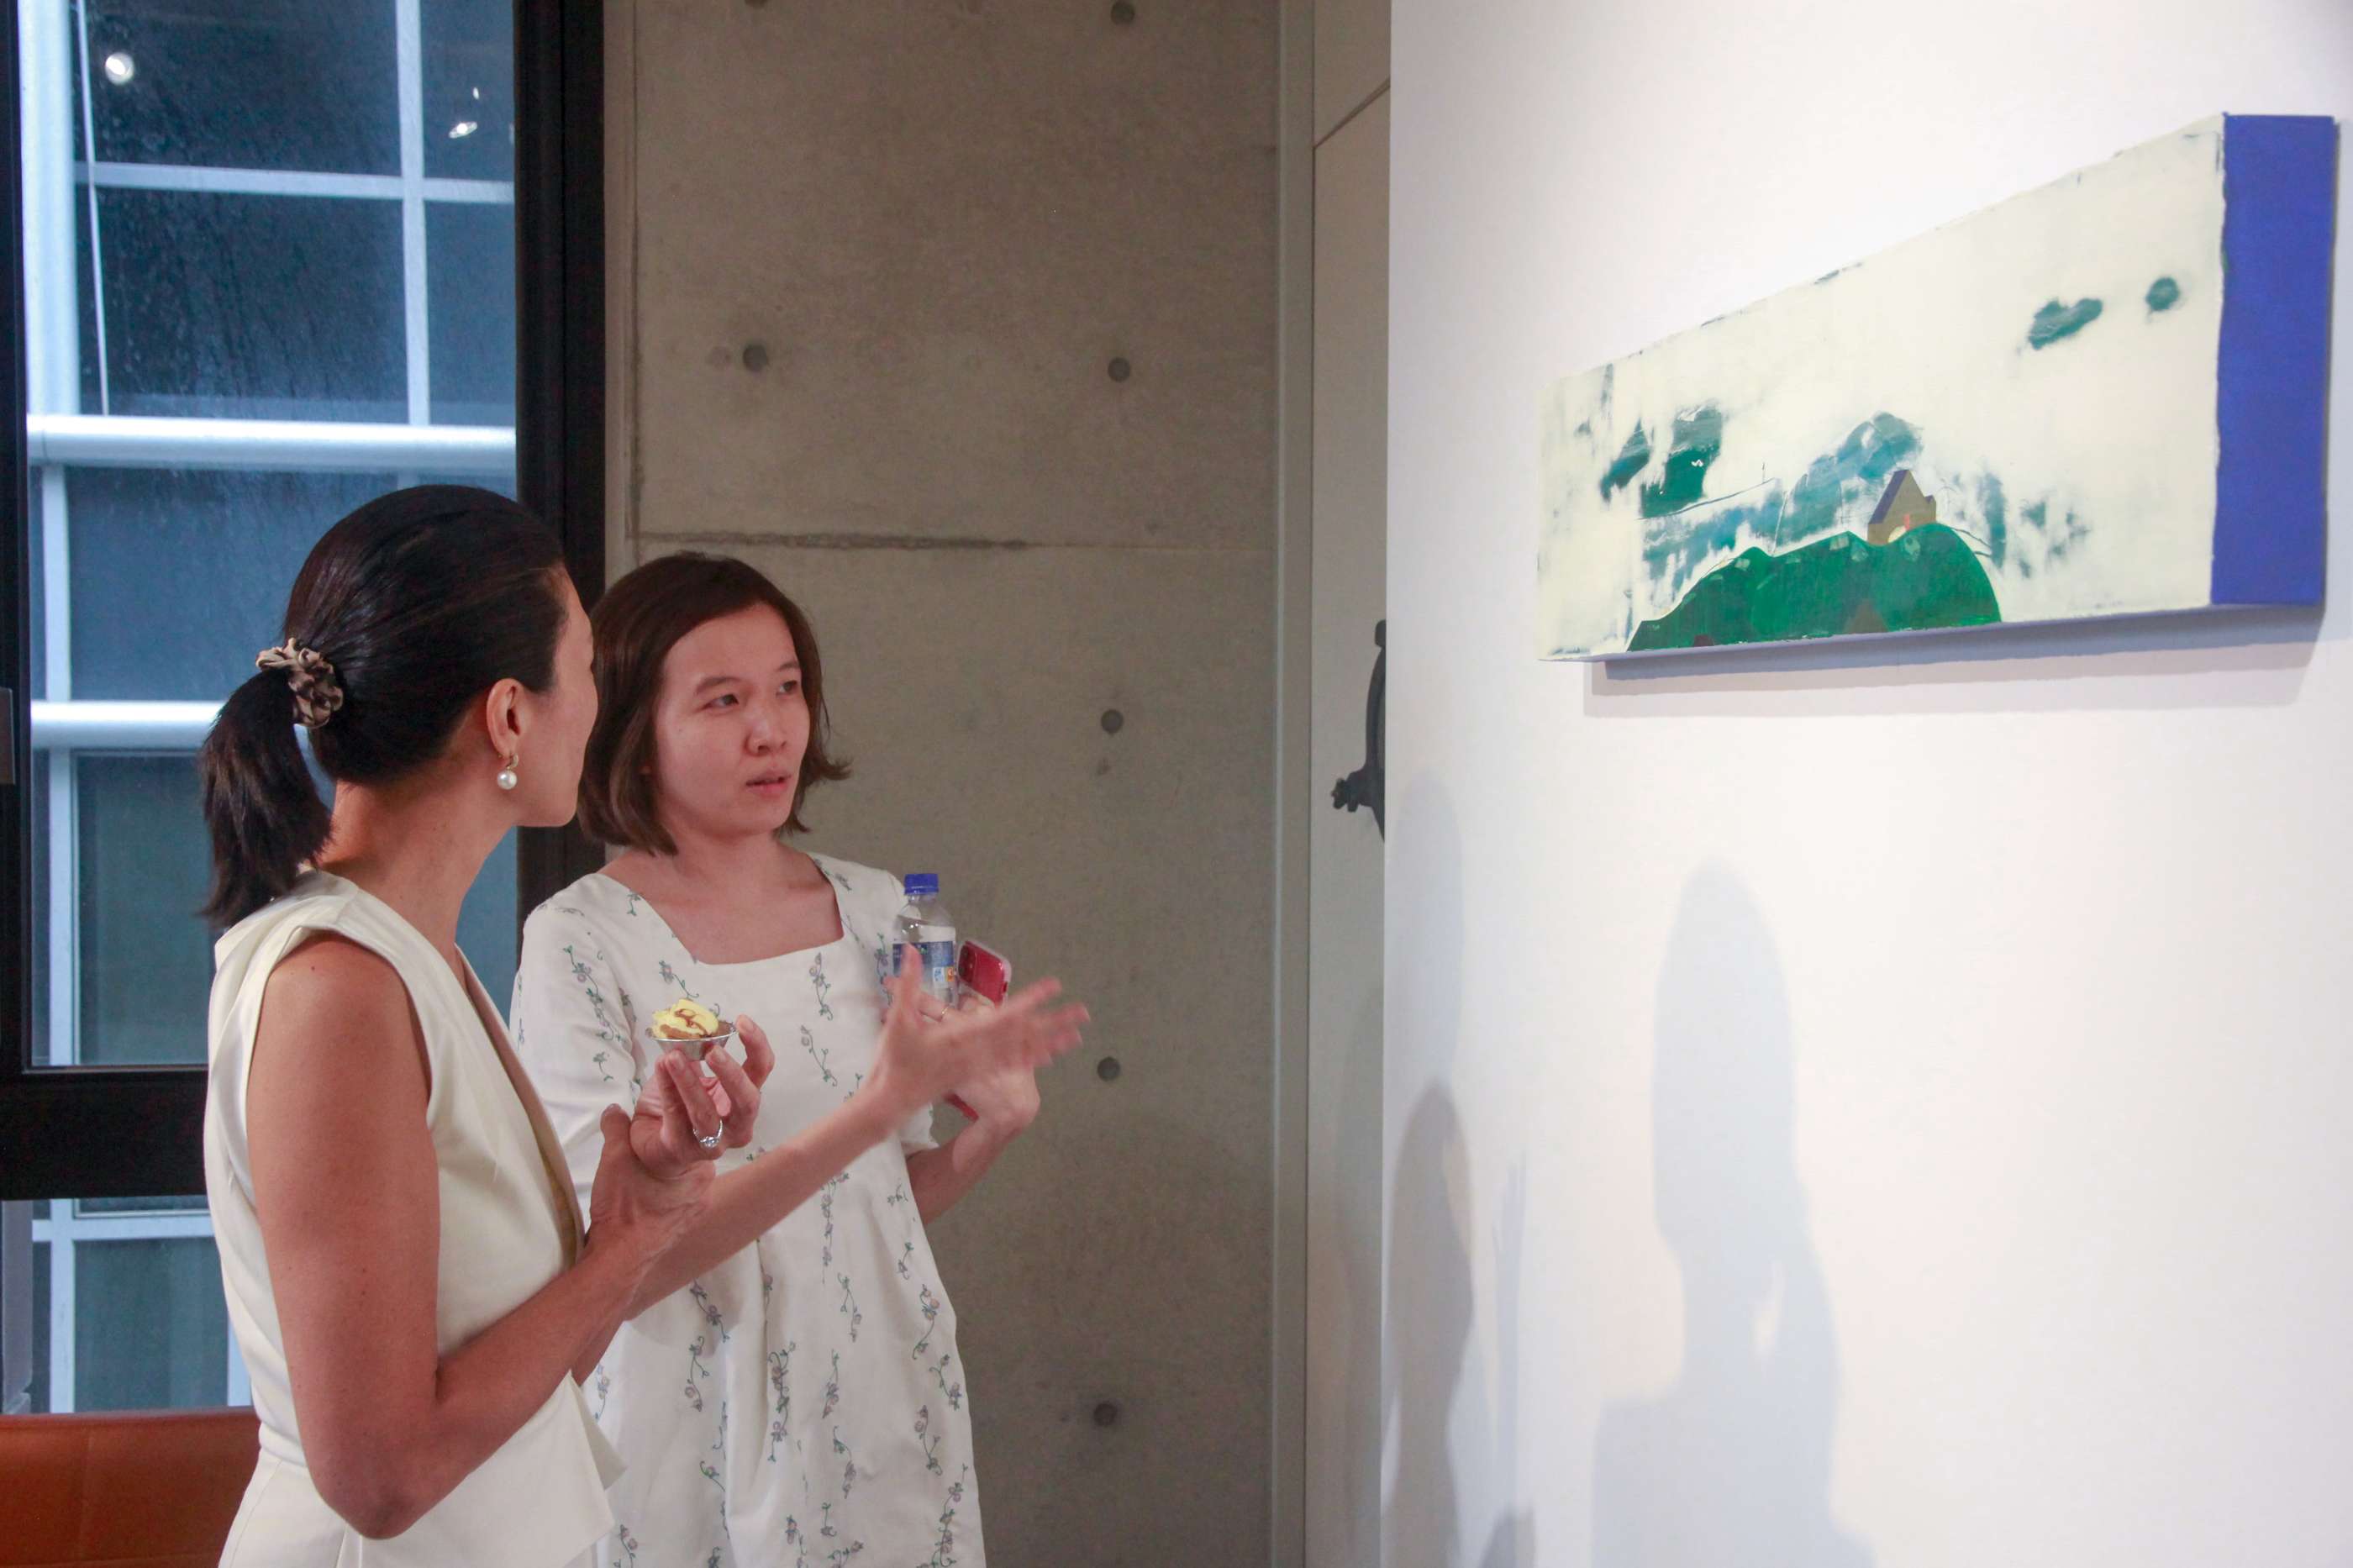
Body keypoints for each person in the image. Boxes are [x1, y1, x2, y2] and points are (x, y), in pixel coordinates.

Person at [197, 486, 755, 1567]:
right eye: (585, 668)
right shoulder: (340, 989)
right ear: (508, 715)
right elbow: (383, 1477)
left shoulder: (418, 959)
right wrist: (623, 1250)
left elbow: (523, 1388)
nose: (596, 705)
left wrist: (639, 1209)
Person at [509, 552, 1083, 1566]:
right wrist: (874, 1108)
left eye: (786, 689)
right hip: (685, 1418)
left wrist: (992, 1131)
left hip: (876, 1395)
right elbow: (615, 1264)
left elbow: (875, 1201)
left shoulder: (879, 910)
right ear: (636, 733)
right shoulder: (581, 940)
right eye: (723, 700)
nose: (771, 730)